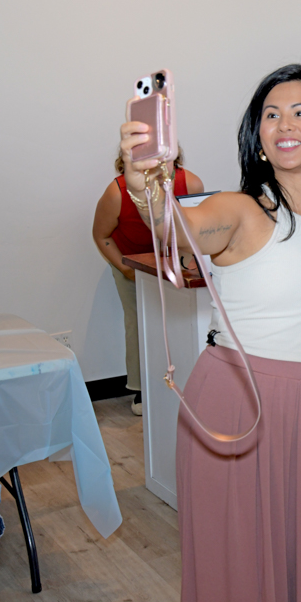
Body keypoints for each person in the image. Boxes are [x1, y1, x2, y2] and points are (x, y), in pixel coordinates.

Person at [119, 64, 301, 602]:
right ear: (258, 138)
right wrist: (144, 181)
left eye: (299, 112)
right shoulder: (241, 211)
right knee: (236, 567)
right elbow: (172, 230)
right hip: (235, 404)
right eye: (270, 114)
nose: (283, 124)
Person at [92, 147, 203, 414]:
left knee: (179, 322)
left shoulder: (191, 183)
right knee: (139, 326)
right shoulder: (116, 192)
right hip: (130, 265)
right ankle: (142, 390)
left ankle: (185, 382)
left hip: (174, 264)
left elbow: (194, 229)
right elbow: (101, 235)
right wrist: (126, 269)